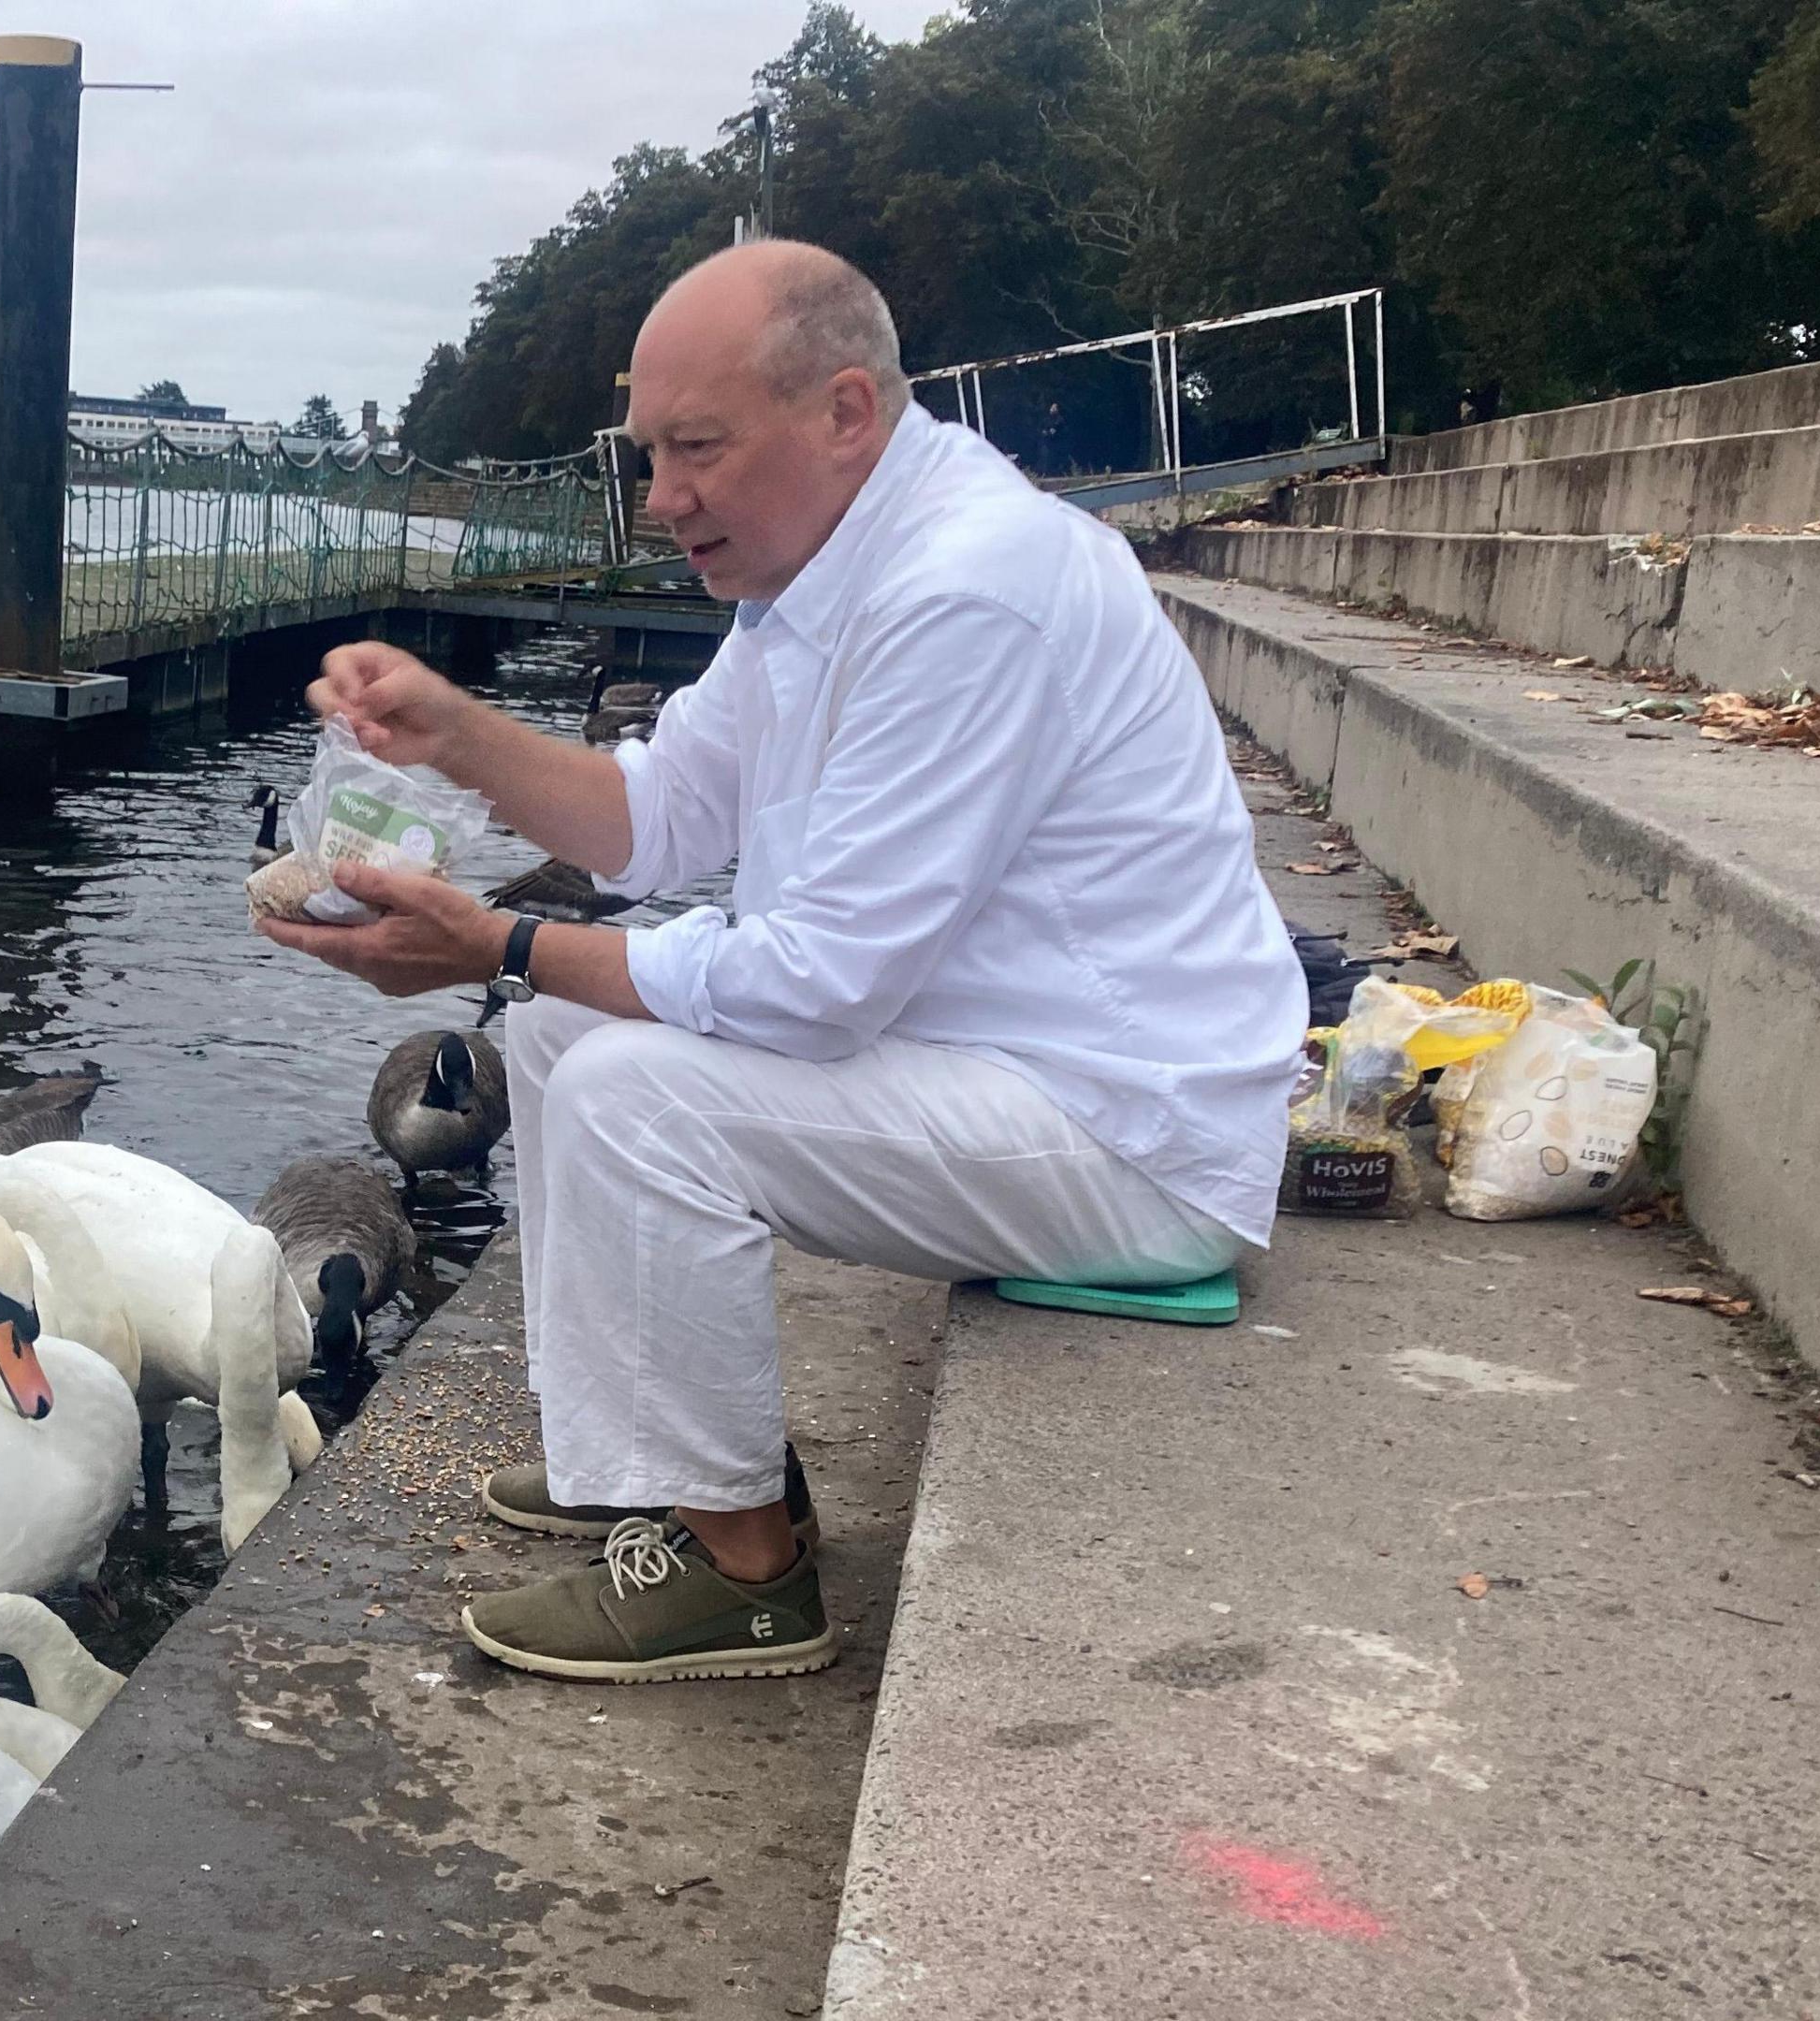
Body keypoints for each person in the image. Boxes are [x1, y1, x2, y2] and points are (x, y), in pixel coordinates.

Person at [255, 241, 1298, 1684]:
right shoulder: (822, 579)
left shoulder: (964, 591)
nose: (663, 498)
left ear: (846, 413)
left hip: (1128, 1134)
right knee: (559, 1038)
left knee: (629, 1085)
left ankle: (746, 1573)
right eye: (647, 457)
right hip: (1007, 1076)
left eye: (698, 450)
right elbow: (651, 820)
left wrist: (489, 943)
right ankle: (639, 1460)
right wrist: (457, 730)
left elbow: (817, 985)